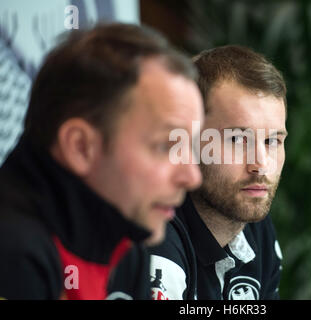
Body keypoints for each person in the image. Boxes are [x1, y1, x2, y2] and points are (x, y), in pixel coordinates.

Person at [0, 23, 203, 300]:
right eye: (166, 146)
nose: (192, 177)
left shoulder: (127, 241)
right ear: (81, 147)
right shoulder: (13, 253)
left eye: (190, 147)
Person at [148, 45, 287, 300]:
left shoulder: (254, 224)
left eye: (272, 141)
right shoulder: (158, 234)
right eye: (237, 139)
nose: (261, 164)